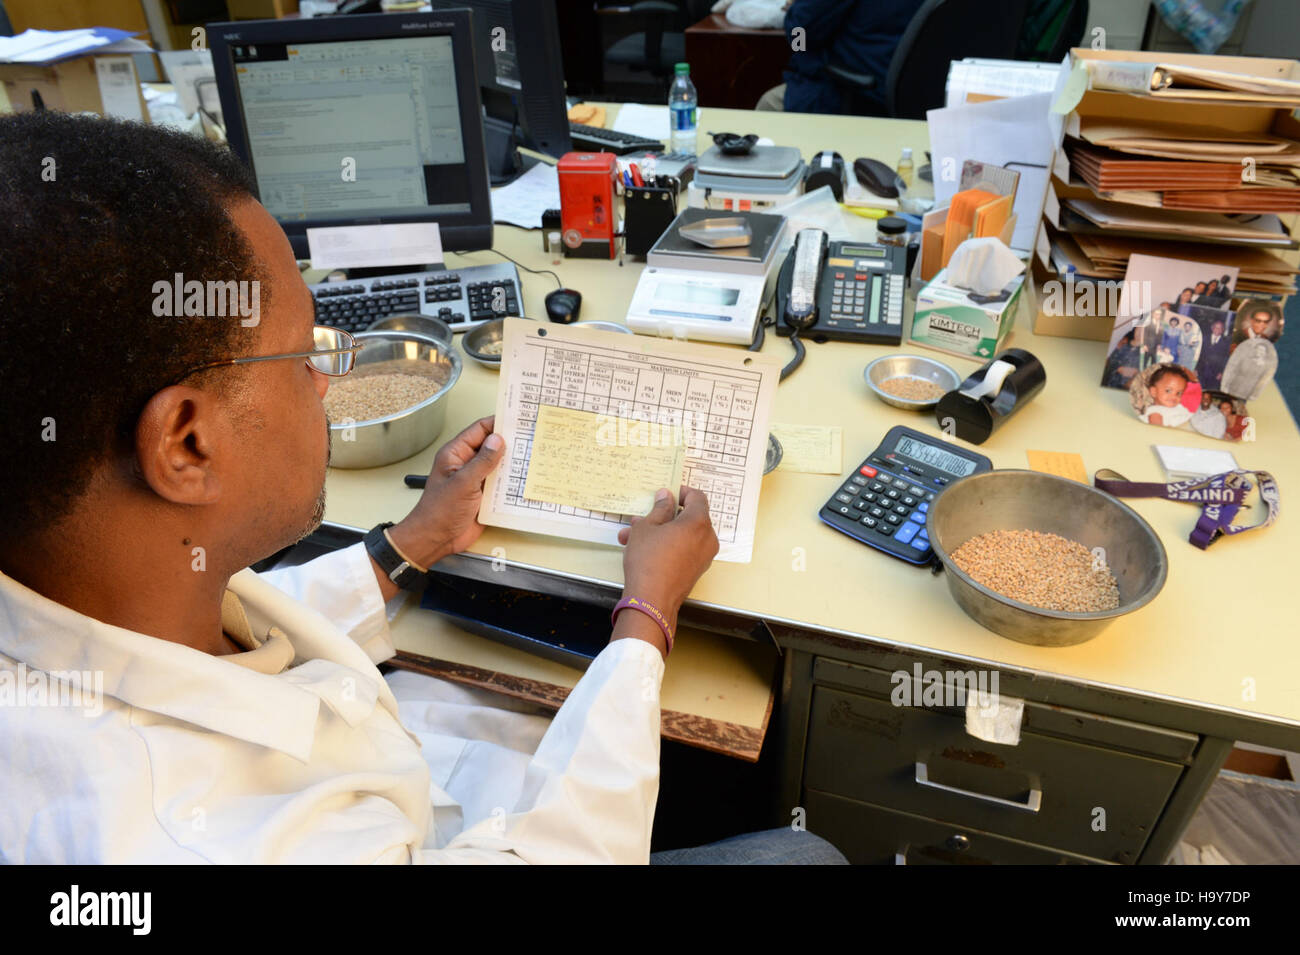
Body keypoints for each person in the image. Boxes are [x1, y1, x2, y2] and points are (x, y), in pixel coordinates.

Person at [0, 112, 846, 865]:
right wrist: (646, 614)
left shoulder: (91, 591)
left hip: (401, 773)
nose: (328, 380)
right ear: (187, 443)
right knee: (807, 853)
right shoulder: (223, 835)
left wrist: (405, 546)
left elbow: (212, 623)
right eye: (306, 355)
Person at [778, 0, 925, 115]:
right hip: (917, 96)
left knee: (767, 104)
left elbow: (799, 33)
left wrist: (794, 12)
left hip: (850, 95)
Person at [1221, 305, 1280, 402]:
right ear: (1251, 321)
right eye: (1258, 320)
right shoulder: (1237, 335)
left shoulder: (1267, 342)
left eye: (1265, 322)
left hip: (1246, 391)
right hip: (1229, 383)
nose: (1261, 325)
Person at [1197, 317, 1231, 391]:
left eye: (1220, 328)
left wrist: (1222, 372)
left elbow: (1226, 359)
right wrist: (1195, 368)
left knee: (1210, 390)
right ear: (1212, 328)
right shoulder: (1204, 339)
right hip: (1201, 370)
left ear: (1222, 330)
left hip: (1215, 373)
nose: (1217, 329)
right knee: (1198, 389)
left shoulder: (1226, 343)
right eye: (1215, 327)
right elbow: (1198, 354)